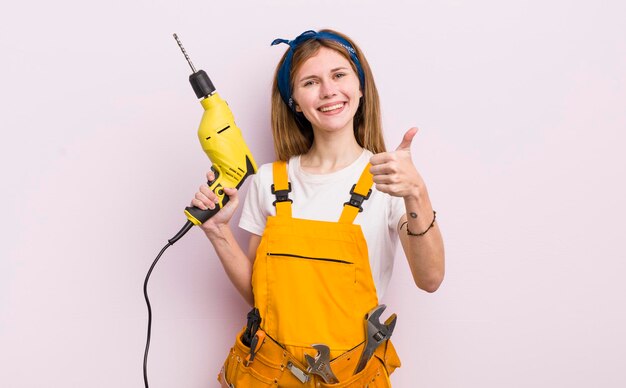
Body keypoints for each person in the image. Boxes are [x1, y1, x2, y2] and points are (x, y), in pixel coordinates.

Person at [191, 29, 444, 387]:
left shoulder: (389, 180)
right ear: (293, 100)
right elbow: (260, 295)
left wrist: (417, 192)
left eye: (339, 75)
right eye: (310, 82)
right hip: (267, 376)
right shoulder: (268, 182)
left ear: (360, 88)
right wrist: (217, 233)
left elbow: (430, 279)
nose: (328, 91)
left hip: (351, 378)